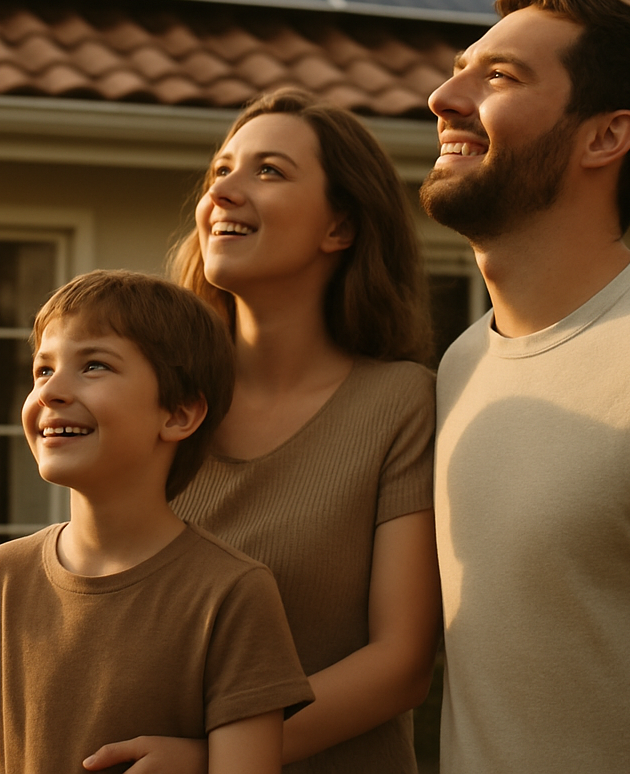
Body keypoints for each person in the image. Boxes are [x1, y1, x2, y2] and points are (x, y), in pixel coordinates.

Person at [420, 0, 630, 773]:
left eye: (498, 76)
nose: (443, 97)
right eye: (462, 68)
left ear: (604, 137)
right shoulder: (461, 365)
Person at [84, 89, 442, 774]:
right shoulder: (160, 405)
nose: (225, 192)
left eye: (268, 171)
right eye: (221, 171)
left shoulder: (401, 404)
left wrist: (214, 757)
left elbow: (400, 664)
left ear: (338, 227)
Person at [0, 270, 314, 774]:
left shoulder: (232, 593)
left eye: (93, 366)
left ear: (179, 414)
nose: (51, 391)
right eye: (42, 370)